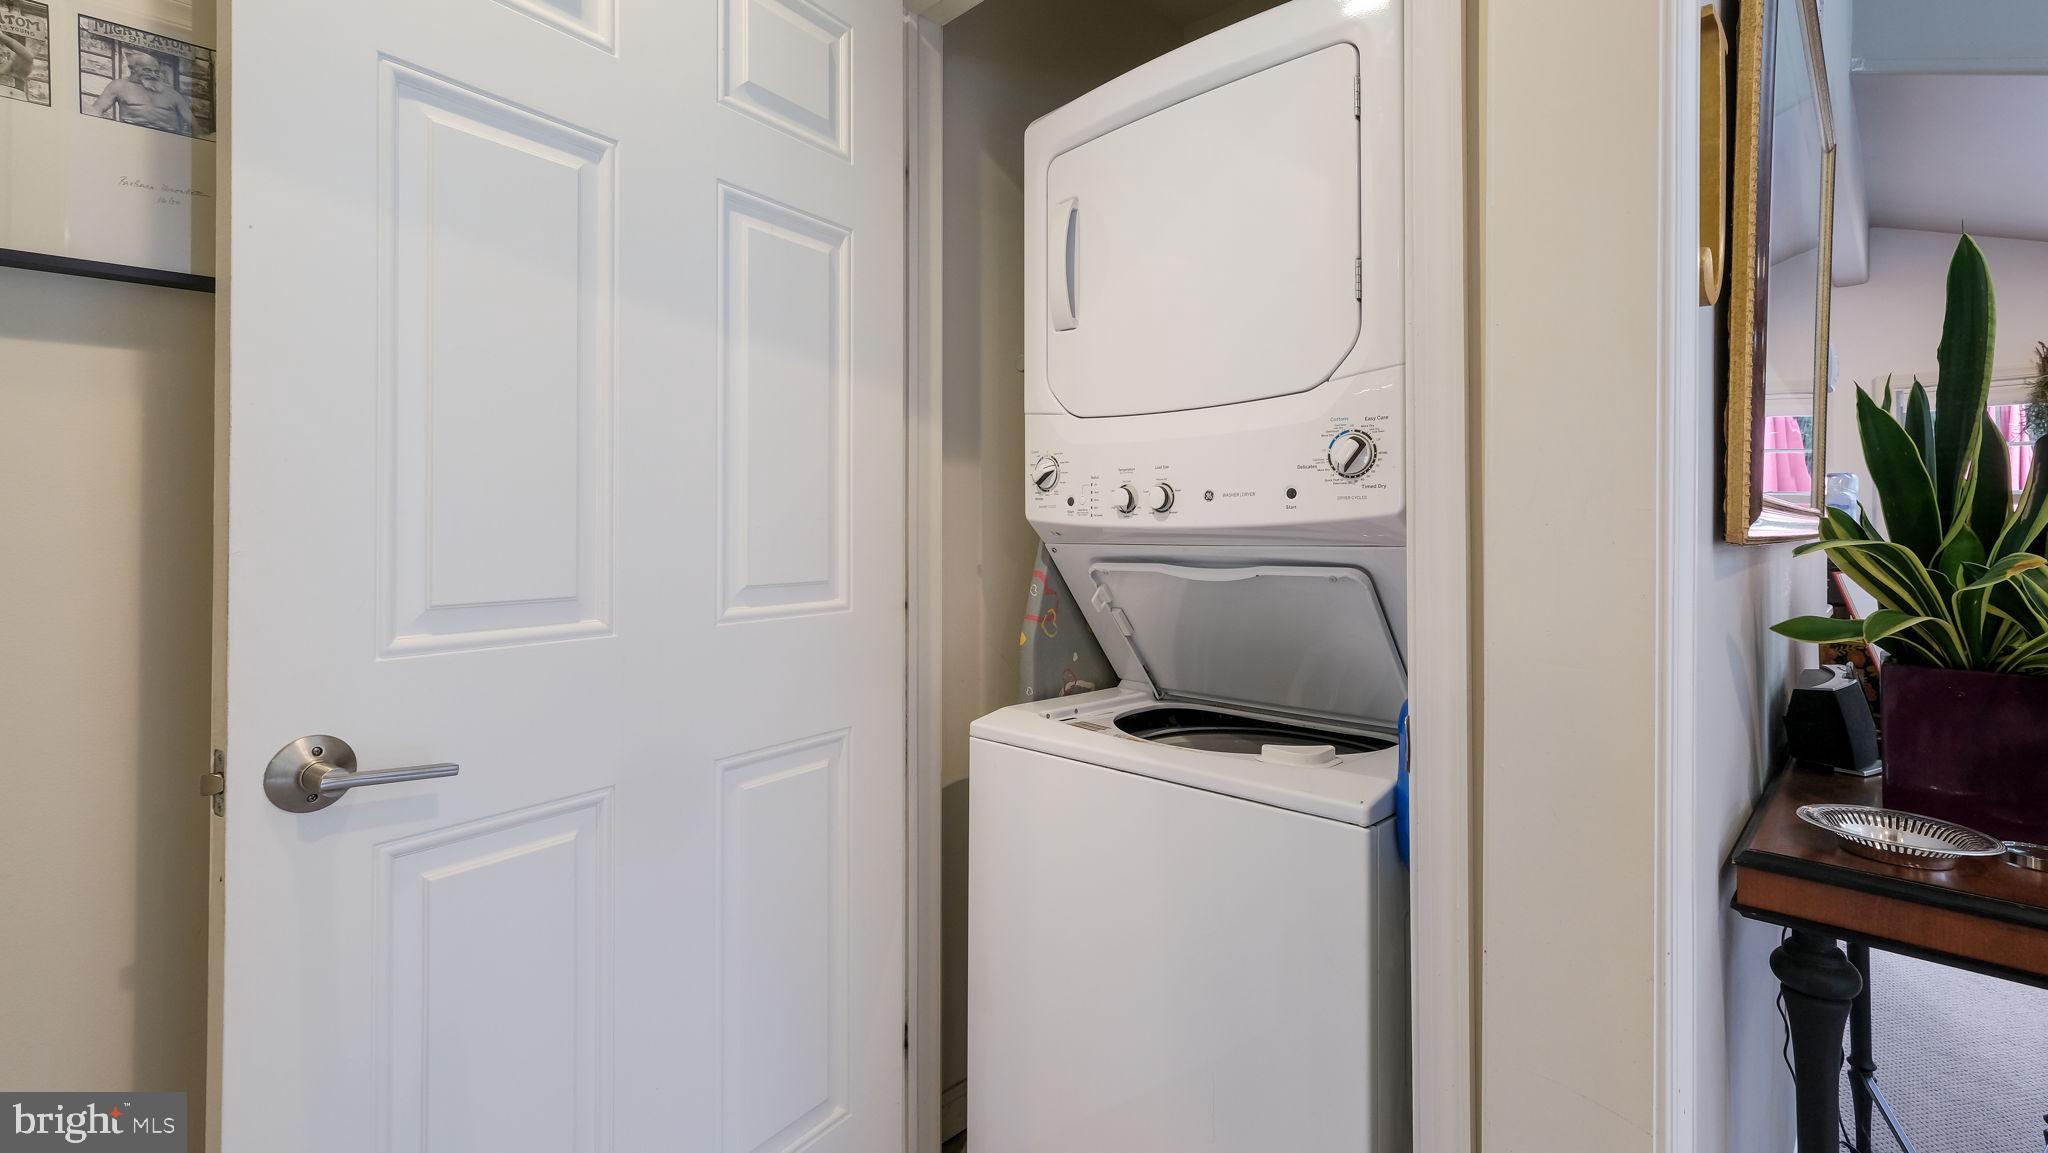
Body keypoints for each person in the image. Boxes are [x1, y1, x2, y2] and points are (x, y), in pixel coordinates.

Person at [90, 50, 192, 134]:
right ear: (133, 69)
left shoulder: (171, 94)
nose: (153, 75)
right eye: (147, 70)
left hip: (167, 141)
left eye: (156, 72)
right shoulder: (119, 86)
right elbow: (96, 110)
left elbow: (194, 125)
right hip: (130, 136)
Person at [0, 25, 34, 92]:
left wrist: (1, 36)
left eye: (3, 44)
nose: (0, 48)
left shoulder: (16, 62)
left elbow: (28, 57)